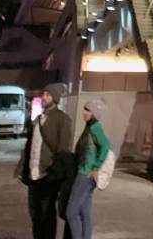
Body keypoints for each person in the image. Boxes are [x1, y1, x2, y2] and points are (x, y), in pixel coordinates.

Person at [19, 82, 74, 239]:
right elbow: (30, 146)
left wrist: (54, 175)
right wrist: (23, 170)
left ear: (55, 98)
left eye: (47, 95)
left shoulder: (63, 120)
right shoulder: (37, 119)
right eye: (43, 94)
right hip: (33, 175)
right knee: (35, 214)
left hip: (48, 175)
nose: (44, 97)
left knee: (47, 215)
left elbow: (63, 151)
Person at [65, 98, 111, 239]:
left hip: (85, 175)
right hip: (86, 175)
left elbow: (106, 145)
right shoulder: (89, 127)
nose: (84, 112)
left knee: (71, 213)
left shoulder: (94, 127)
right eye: (85, 108)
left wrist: (96, 167)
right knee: (85, 214)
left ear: (94, 113)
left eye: (87, 109)